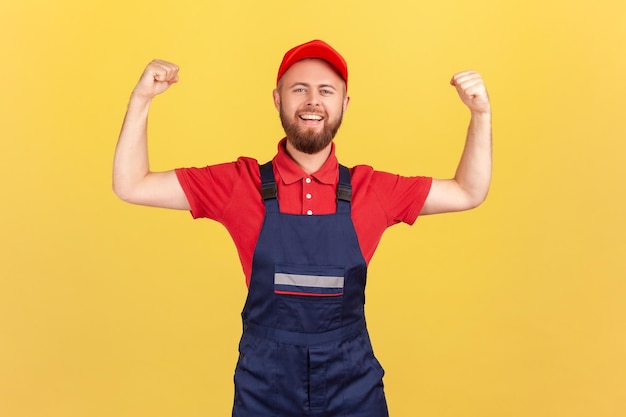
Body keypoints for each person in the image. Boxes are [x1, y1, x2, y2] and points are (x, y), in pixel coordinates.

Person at [113, 39, 491, 417]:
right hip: (266, 387)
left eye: (326, 91)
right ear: (277, 99)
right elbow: (132, 184)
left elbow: (467, 192)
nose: (313, 101)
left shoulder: (371, 190)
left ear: (344, 104)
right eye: (300, 89)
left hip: (353, 388)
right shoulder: (238, 184)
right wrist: (141, 100)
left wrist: (481, 115)